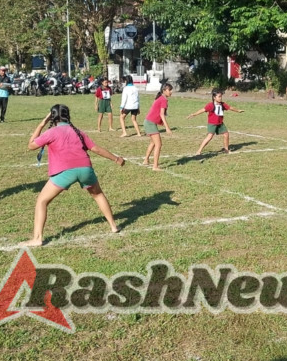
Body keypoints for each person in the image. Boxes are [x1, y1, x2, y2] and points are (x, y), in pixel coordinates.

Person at [21, 104, 125, 247]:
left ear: (52, 117)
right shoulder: (78, 132)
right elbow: (96, 149)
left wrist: (42, 123)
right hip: (85, 169)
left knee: (42, 201)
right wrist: (116, 159)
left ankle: (37, 238)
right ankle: (113, 226)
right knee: (98, 195)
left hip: (64, 172)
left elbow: (31, 145)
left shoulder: (51, 132)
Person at [187, 88, 245, 155]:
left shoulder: (222, 104)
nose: (220, 98)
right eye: (219, 97)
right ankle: (199, 151)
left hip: (220, 123)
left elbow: (230, 108)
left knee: (226, 134)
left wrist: (238, 110)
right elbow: (202, 110)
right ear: (214, 97)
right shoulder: (210, 105)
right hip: (212, 124)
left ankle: (226, 150)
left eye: (221, 96)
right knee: (209, 136)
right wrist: (194, 114)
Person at [143, 83, 173, 170]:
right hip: (150, 123)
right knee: (158, 144)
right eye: (169, 90)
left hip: (148, 122)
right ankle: (155, 166)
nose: (171, 92)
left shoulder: (161, 98)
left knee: (153, 143)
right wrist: (167, 128)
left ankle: (146, 160)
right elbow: (162, 114)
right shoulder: (163, 99)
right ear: (164, 90)